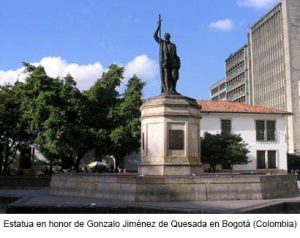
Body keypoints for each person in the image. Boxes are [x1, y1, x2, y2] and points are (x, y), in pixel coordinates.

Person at [154, 18, 181, 95]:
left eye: (167, 37)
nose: (166, 38)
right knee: (166, 74)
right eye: (165, 37)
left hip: (173, 63)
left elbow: (175, 55)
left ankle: (173, 89)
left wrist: (178, 62)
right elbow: (154, 36)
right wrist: (158, 27)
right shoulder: (162, 43)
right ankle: (168, 89)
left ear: (169, 37)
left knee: (174, 76)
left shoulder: (173, 45)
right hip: (165, 62)